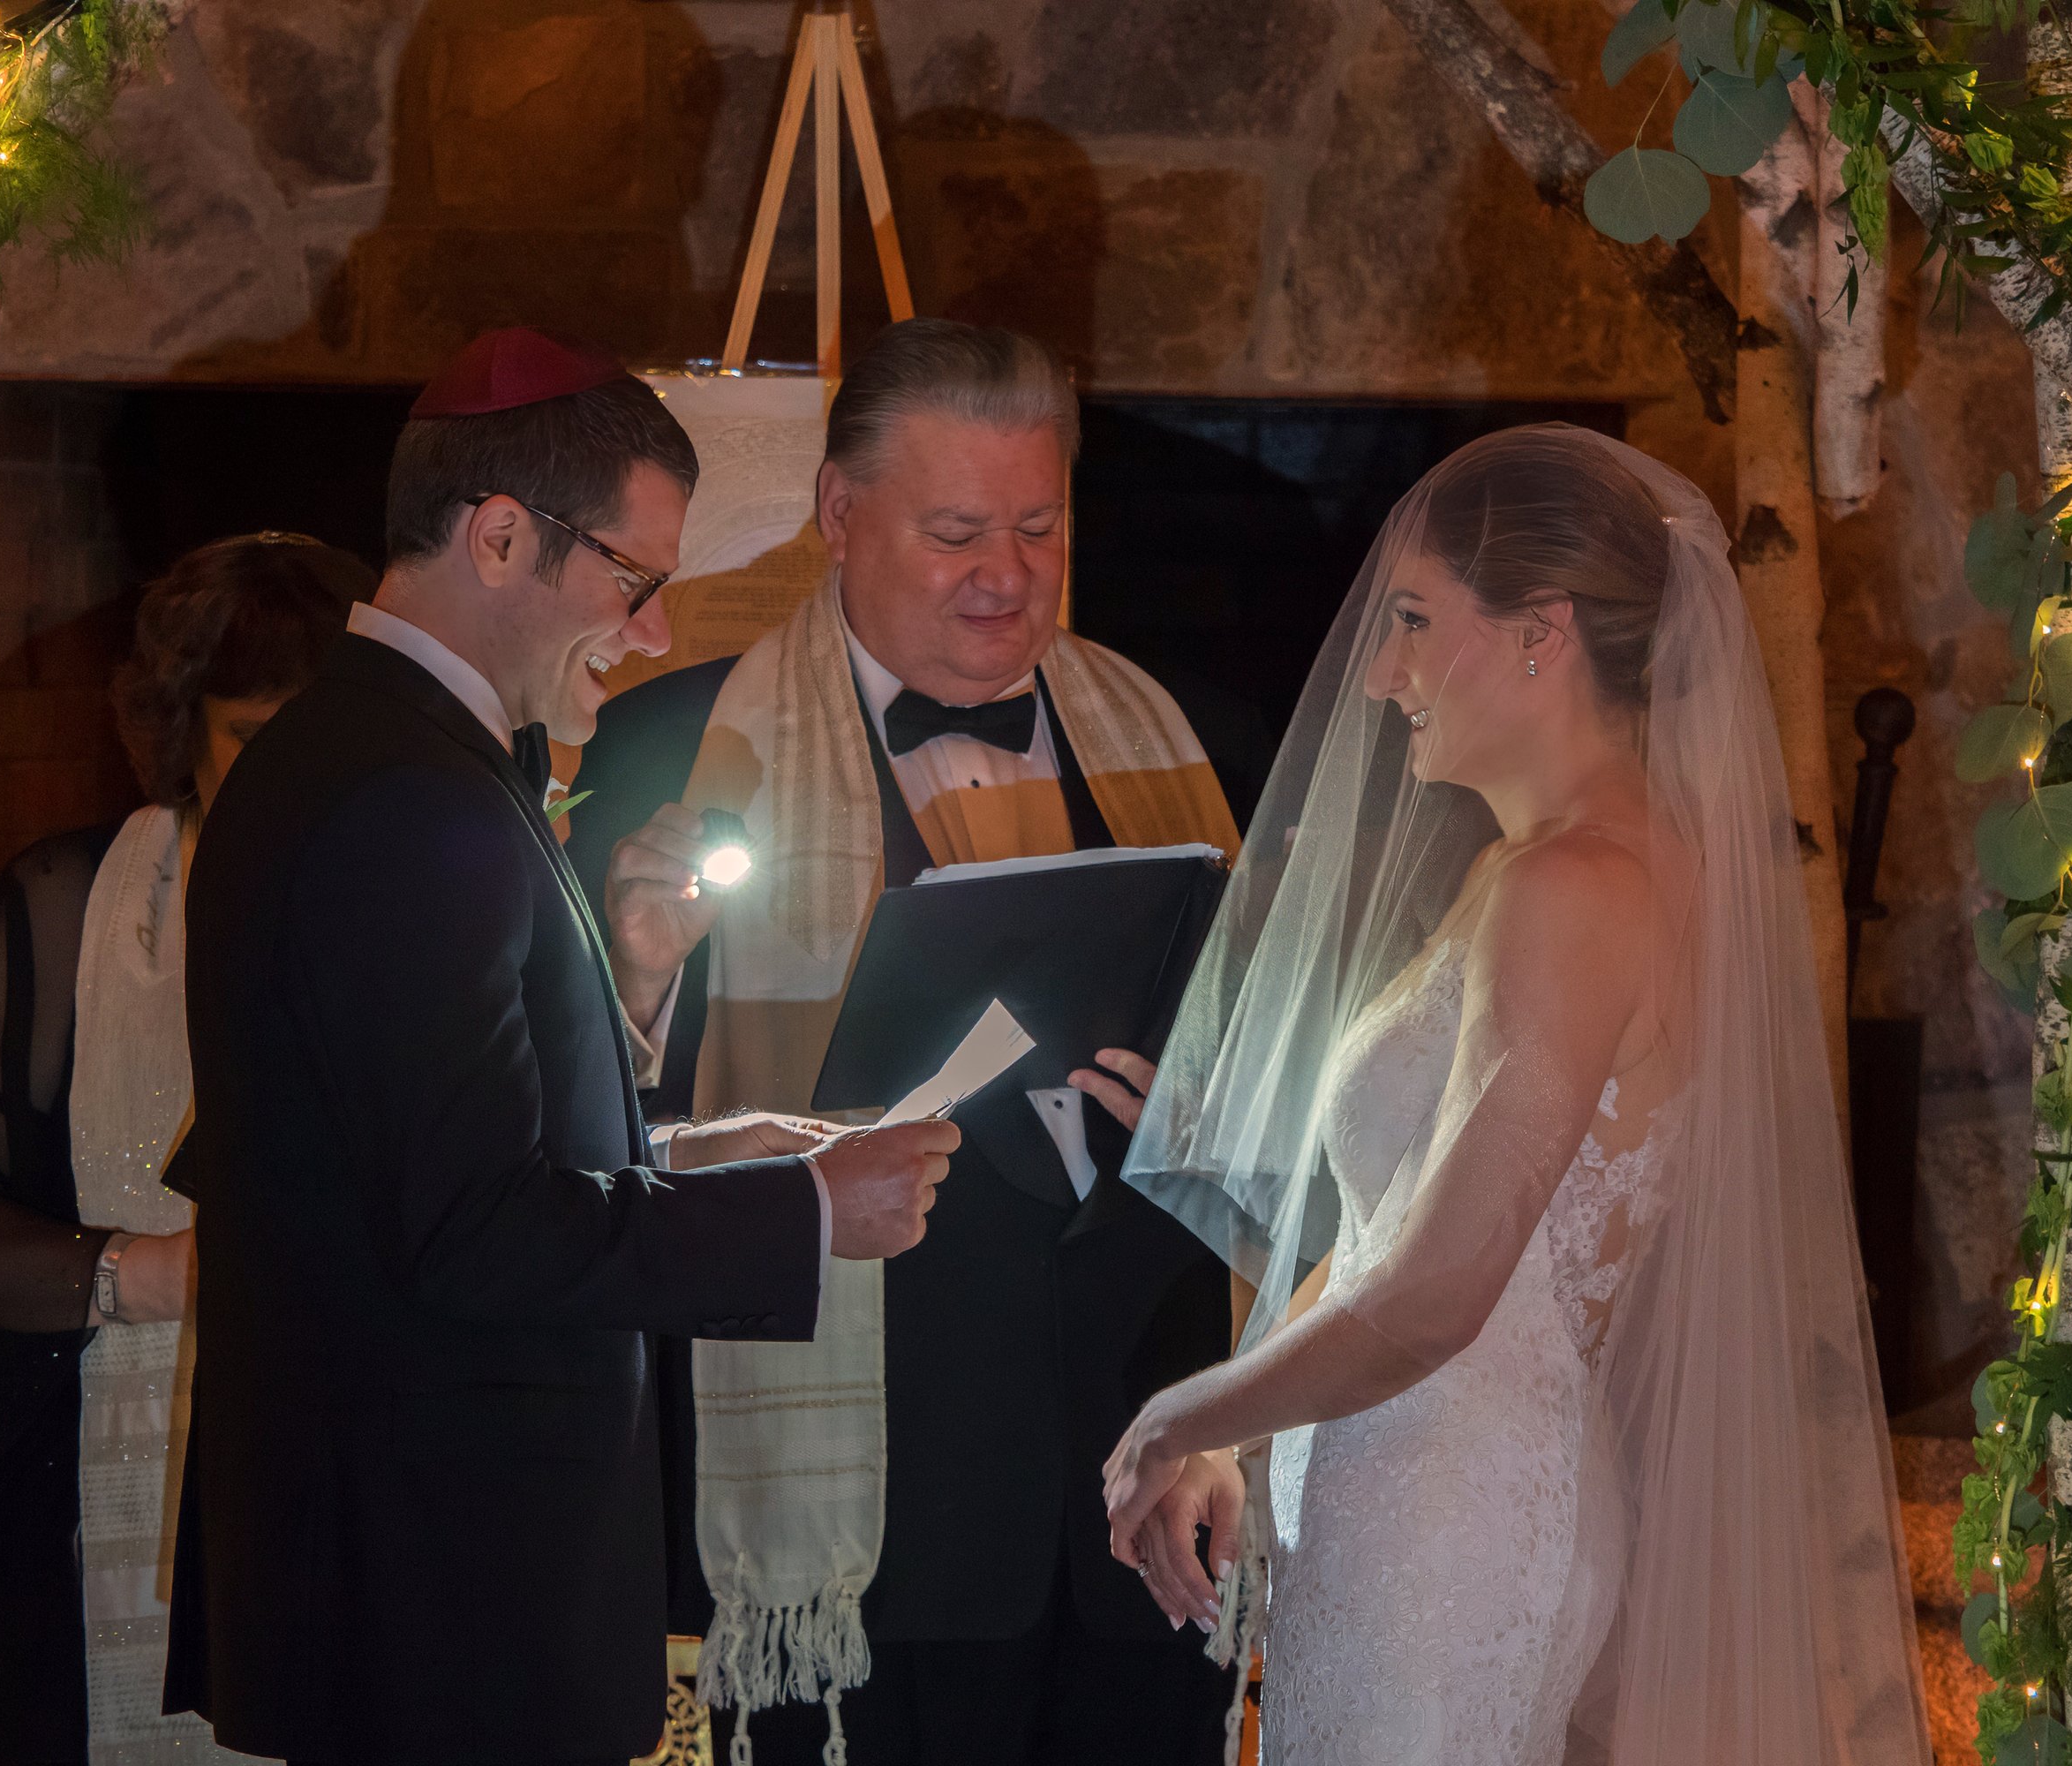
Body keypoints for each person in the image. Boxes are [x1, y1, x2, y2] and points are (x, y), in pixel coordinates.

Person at [158, 328, 955, 1766]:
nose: (654, 633)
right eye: (636, 584)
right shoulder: (411, 803)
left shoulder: (383, 758)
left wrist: (694, 1149)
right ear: (504, 535)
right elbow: (471, 1231)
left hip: (424, 1581)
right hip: (442, 1600)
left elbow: (418, 1158)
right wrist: (809, 1213)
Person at [1099, 426, 1930, 1763]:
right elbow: (1388, 1236)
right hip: (1409, 1496)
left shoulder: (1575, 890)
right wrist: (1247, 1425)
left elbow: (1443, 1290)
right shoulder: (1530, 873)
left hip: (1451, 1524)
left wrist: (1176, 1417)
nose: (1382, 673)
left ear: (1543, 634)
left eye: (1417, 621)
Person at [567, 317, 1244, 1766]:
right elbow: (561, 1146)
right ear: (836, 515)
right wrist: (631, 985)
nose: (1007, 575)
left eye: (1039, 527)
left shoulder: (1165, 734)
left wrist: (1196, 1107)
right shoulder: (667, 751)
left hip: (1144, 1484)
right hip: (870, 1517)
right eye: (954, 532)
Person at [0, 532, 373, 1766]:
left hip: (350, 1513)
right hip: (58, 1536)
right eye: (246, 741)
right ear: (180, 732)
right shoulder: (64, 913)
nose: (285, 784)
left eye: (316, 744)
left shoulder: (411, 913)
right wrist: (138, 1275)